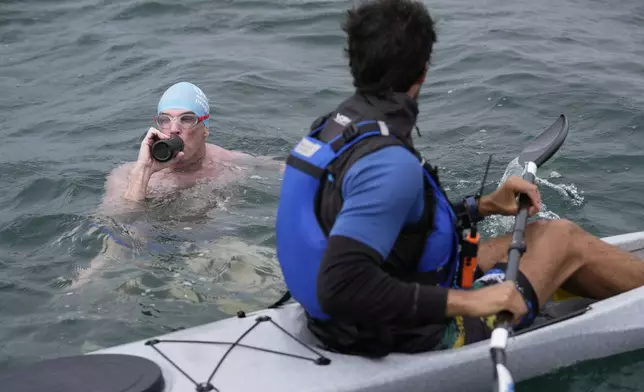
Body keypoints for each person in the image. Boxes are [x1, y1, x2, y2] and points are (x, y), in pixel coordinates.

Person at [274, 0, 644, 357]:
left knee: (536, 241)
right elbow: (342, 285)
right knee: (562, 238)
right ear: (423, 71)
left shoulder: (330, 131)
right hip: (403, 335)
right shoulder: (389, 163)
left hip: (340, 324)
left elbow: (380, 221)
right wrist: (473, 300)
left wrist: (482, 206)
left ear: (354, 62)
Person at [101, 81, 283, 211]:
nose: (174, 129)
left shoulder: (228, 162)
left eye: (187, 119)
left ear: (205, 129)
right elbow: (121, 225)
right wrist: (144, 171)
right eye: (165, 120)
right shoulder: (126, 175)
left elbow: (284, 169)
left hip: (210, 247)